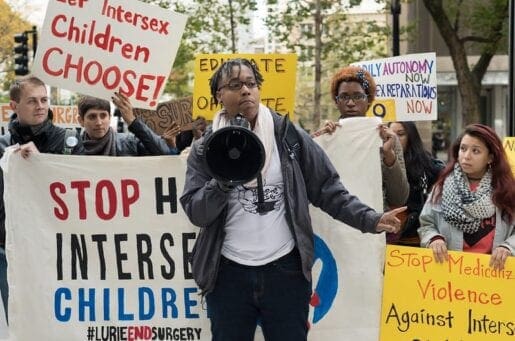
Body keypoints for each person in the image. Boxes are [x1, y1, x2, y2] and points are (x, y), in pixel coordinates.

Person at [179, 58, 406, 341]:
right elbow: (197, 212)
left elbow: (328, 190)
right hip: (227, 276)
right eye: (235, 86)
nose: (246, 91)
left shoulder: (288, 136)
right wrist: (224, 179)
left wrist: (371, 218)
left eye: (251, 84)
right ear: (219, 96)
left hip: (285, 273)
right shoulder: (204, 151)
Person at [0, 75, 83, 318]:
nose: (40, 106)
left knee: (59, 321)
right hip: (11, 250)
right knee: (20, 320)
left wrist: (42, 164)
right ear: (14, 106)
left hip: (58, 249)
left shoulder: (69, 141)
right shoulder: (2, 146)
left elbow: (79, 191)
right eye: (32, 101)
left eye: (44, 100)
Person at [418, 124, 515, 271]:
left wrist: (508, 247)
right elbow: (427, 224)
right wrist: (434, 239)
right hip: (452, 275)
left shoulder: (506, 190)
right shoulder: (442, 187)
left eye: (475, 151)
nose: (466, 156)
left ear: (490, 157)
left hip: (495, 276)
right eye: (463, 149)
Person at [315, 66, 409, 212]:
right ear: (336, 101)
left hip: (374, 223)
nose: (351, 103)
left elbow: (399, 198)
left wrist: (388, 155)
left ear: (369, 100)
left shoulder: (387, 138)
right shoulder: (326, 136)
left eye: (358, 96)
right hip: (336, 224)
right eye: (344, 97)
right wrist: (322, 141)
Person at [388, 121, 445, 245]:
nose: (395, 139)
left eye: (401, 134)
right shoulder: (381, 161)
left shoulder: (427, 165)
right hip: (389, 235)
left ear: (411, 137)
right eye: (391, 135)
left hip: (416, 237)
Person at [77, 94, 170, 156]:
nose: (99, 122)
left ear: (109, 117)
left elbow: (163, 153)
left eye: (103, 116)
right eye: (92, 117)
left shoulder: (129, 143)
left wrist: (133, 121)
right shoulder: (72, 148)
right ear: (81, 121)